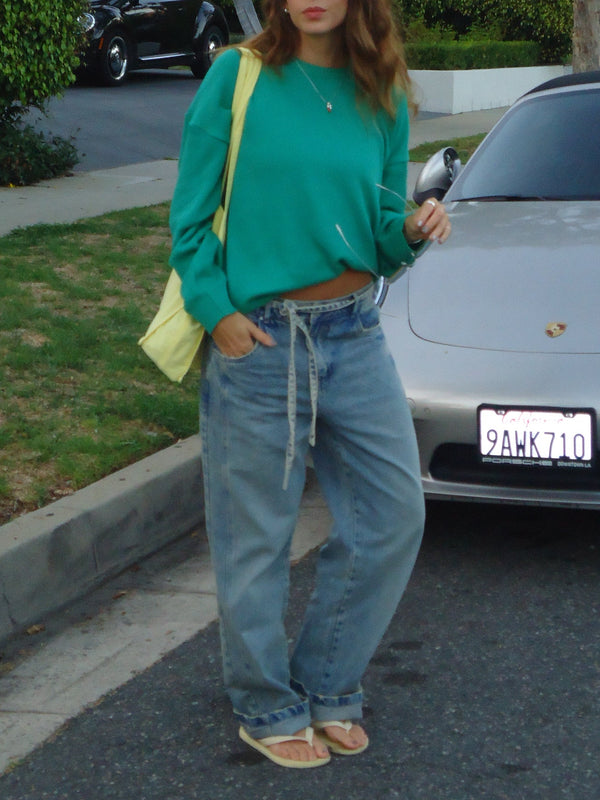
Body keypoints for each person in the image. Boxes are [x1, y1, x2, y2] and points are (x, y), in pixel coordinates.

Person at [169, 0, 451, 769]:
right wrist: (215, 310)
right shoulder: (238, 75)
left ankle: (328, 683)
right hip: (261, 339)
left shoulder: (381, 88)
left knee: (393, 515)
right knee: (254, 538)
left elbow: (381, 228)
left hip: (355, 333)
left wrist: (414, 231)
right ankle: (265, 702)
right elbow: (190, 221)